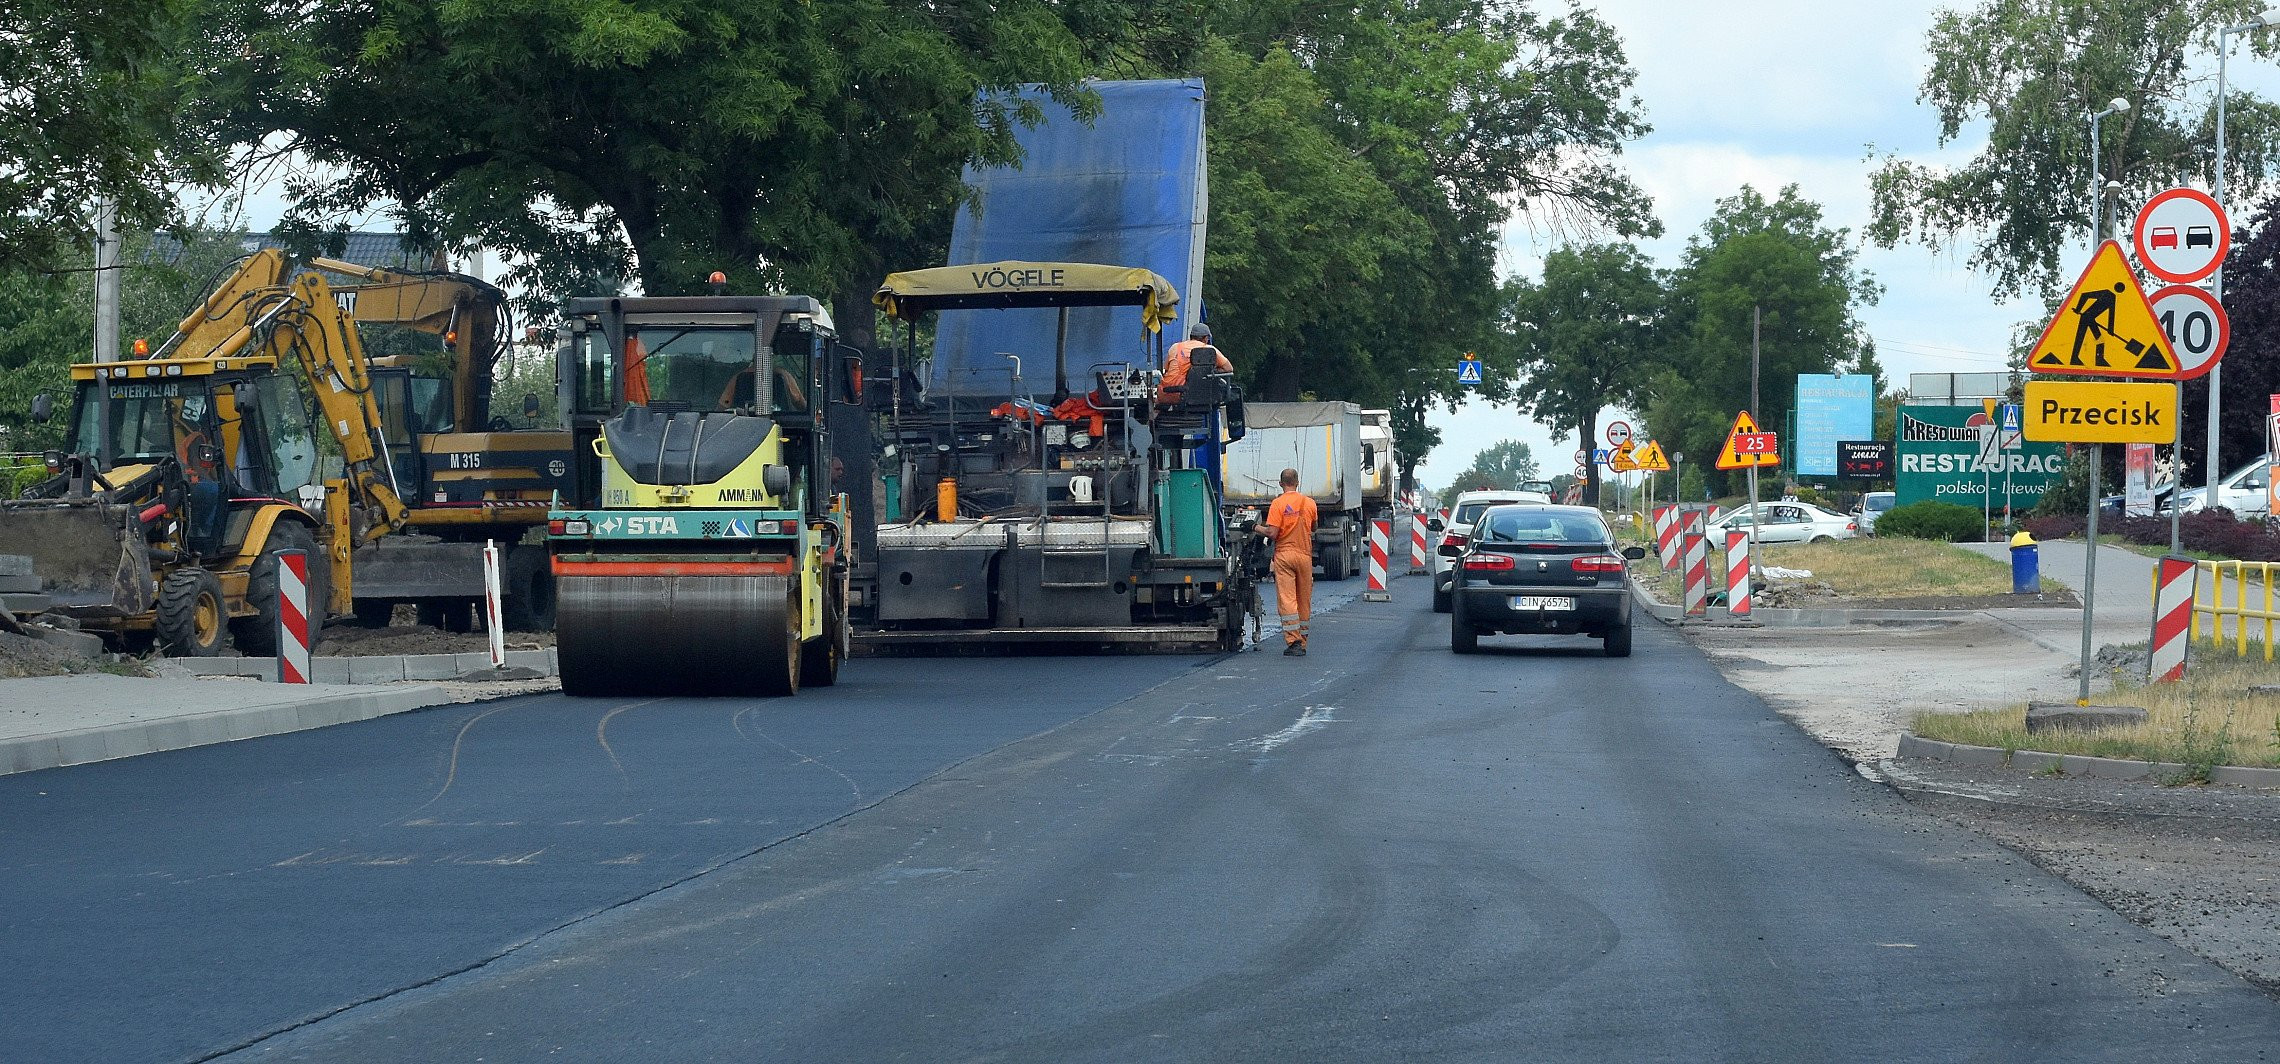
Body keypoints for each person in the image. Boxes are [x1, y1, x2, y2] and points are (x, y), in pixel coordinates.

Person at [1258, 467, 1319, 656]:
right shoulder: (1309, 503)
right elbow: (1314, 527)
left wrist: (1253, 526)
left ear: (1280, 483)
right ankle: (1304, 639)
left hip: (1284, 555)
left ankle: (1293, 642)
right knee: (1303, 599)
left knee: (1287, 598)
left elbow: (1272, 533)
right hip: (1304, 556)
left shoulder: (1277, 504)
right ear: (1298, 482)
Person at [1161, 322, 1232, 405]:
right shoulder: (1209, 350)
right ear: (1205, 338)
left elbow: (1166, 371)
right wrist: (1211, 371)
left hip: (1166, 393)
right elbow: (1229, 368)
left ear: (1191, 337)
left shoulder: (1175, 347)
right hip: (1190, 395)